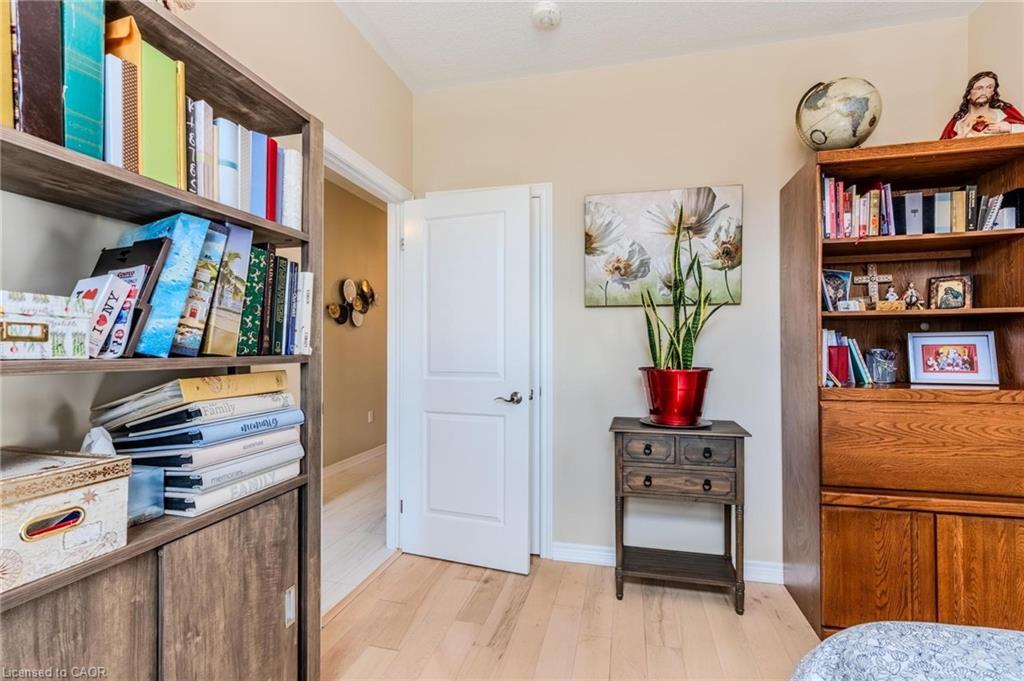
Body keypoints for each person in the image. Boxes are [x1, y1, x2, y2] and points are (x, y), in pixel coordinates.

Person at [941, 71, 1024, 139]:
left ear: (993, 92)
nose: (984, 92)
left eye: (989, 87)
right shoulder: (958, 122)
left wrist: (1010, 128)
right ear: (969, 93)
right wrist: (960, 137)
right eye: (979, 88)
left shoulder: (1004, 114)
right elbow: (941, 150)